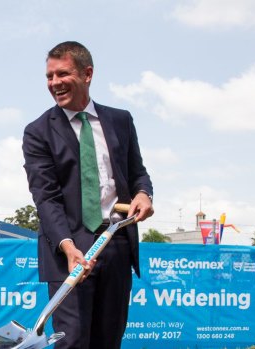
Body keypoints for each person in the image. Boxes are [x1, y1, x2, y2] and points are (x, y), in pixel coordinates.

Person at [22, 41, 154, 349]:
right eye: (49, 76)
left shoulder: (121, 121)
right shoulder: (38, 132)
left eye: (62, 74)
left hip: (116, 241)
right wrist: (68, 248)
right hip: (68, 252)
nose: (54, 83)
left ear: (87, 74)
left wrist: (144, 194)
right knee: (73, 341)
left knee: (108, 340)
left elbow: (137, 173)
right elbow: (46, 197)